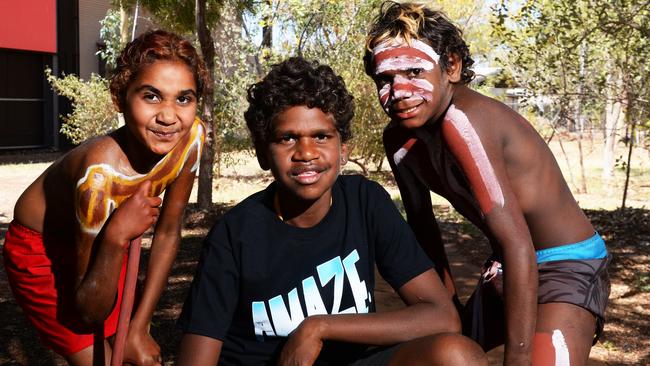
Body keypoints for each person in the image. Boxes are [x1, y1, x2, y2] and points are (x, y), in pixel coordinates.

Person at [176, 56, 487, 366]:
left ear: (343, 149)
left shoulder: (365, 202)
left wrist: (319, 327)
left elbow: (441, 316)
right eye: (287, 138)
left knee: (457, 356)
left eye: (321, 136)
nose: (306, 153)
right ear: (262, 153)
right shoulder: (236, 233)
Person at [363, 2, 611, 365]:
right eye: (385, 79)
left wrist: (519, 358)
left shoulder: (463, 121)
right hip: (509, 264)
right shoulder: (399, 140)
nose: (398, 91)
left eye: (414, 71)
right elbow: (423, 231)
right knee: (445, 351)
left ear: (451, 66)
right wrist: (443, 313)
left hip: (565, 266)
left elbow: (519, 242)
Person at [3, 30, 208, 365]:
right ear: (120, 98)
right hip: (41, 249)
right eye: (152, 96)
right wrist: (115, 238)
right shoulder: (99, 175)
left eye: (184, 98)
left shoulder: (191, 138)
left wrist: (140, 327)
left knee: (132, 346)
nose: (170, 116)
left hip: (108, 228)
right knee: (100, 358)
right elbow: (89, 312)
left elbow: (169, 230)